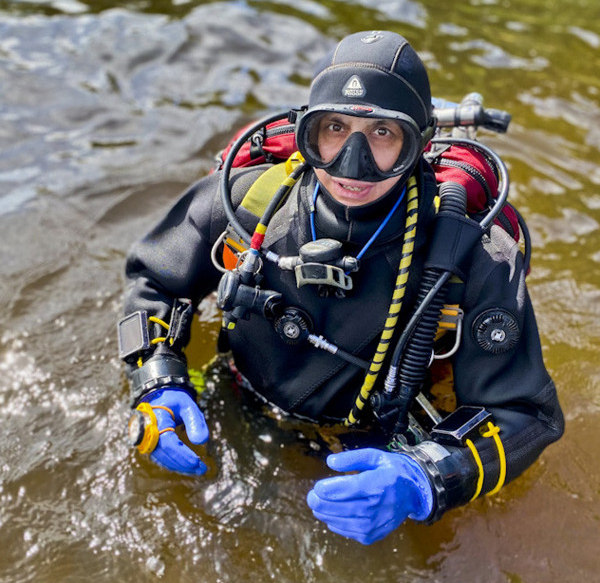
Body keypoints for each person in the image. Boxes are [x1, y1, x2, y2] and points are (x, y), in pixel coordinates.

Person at [119, 30, 564, 545]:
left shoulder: (471, 255)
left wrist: (430, 478)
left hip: (377, 450)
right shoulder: (248, 202)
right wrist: (157, 376)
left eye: (382, 134)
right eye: (335, 128)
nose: (352, 165)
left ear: (416, 144)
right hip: (234, 402)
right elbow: (154, 277)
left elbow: (528, 413)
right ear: (308, 133)